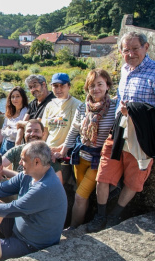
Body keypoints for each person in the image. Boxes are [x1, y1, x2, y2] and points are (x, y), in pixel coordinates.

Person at [86, 32, 155, 233]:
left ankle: (114, 216)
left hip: (142, 135)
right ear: (121, 51)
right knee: (103, 176)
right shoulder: (125, 69)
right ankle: (100, 217)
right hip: (119, 130)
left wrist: (134, 110)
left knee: (134, 181)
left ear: (146, 47)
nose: (131, 53)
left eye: (135, 48)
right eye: (126, 50)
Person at [60, 69, 118, 230]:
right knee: (81, 195)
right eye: (92, 85)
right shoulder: (82, 108)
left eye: (100, 84)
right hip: (81, 158)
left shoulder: (114, 107)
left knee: (80, 196)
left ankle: (72, 229)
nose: (96, 89)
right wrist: (63, 150)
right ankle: (79, 225)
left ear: (107, 85)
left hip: (99, 160)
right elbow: (73, 131)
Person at [41, 73, 82, 183]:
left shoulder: (77, 105)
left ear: (69, 86)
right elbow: (45, 131)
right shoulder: (50, 105)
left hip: (65, 153)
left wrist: (61, 150)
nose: (58, 89)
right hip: (48, 151)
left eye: (62, 85)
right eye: (55, 86)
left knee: (57, 184)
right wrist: (42, 148)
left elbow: (75, 132)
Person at [0, 87, 28, 155]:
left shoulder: (26, 112)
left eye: (17, 96)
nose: (15, 99)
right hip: (5, 143)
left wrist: (9, 129)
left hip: (16, 145)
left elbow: (21, 133)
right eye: (12, 97)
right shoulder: (10, 111)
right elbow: (2, 131)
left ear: (23, 98)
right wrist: (13, 129)